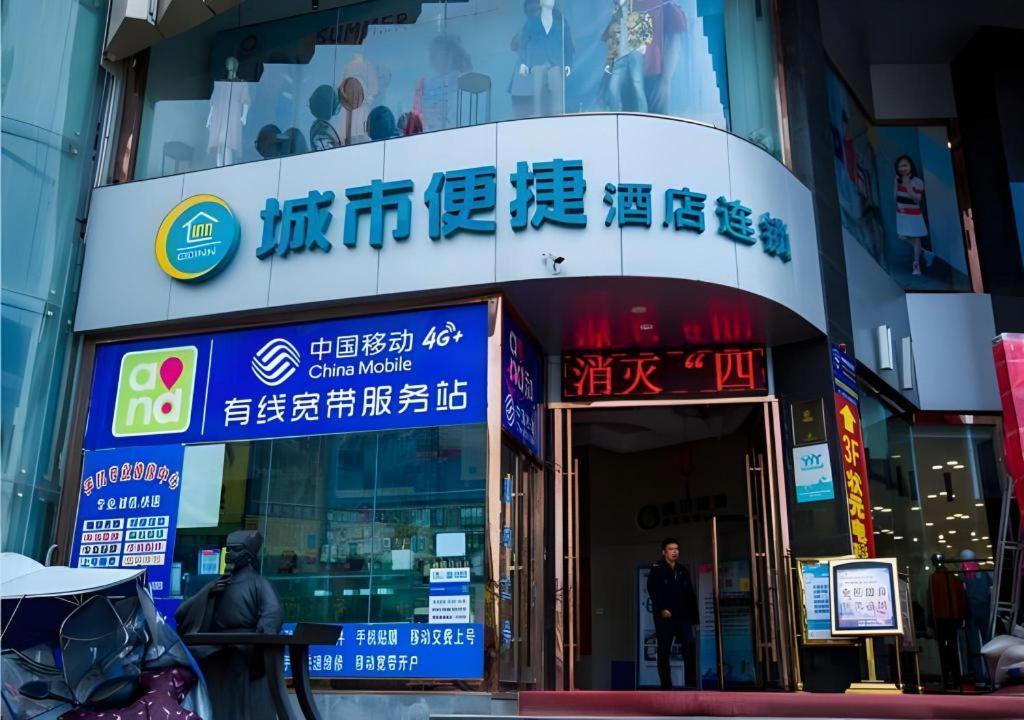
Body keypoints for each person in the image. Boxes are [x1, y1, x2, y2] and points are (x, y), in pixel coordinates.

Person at [175, 530, 283, 720]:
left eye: (236, 550)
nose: (230, 554)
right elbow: (181, 614)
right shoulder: (217, 584)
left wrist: (261, 637)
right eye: (228, 549)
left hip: (246, 648)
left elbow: (272, 612)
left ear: (249, 555)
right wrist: (209, 592)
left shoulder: (258, 583)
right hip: (215, 648)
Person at [646, 537, 699, 689]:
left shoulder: (682, 570)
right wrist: (662, 608)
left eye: (676, 549)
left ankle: (690, 682)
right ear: (664, 552)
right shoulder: (657, 569)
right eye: (671, 549)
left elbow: (690, 595)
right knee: (664, 650)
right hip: (665, 617)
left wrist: (695, 619)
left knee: (689, 644)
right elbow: (653, 591)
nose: (674, 552)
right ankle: (666, 686)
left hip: (683, 616)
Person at [893, 154, 932, 276]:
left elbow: (917, 199)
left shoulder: (918, 181)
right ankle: (925, 253)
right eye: (900, 166)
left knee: (916, 238)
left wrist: (907, 185)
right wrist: (899, 204)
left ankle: (916, 265)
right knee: (902, 236)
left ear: (910, 166)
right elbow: (895, 196)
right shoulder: (897, 179)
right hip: (901, 214)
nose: (902, 168)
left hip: (914, 214)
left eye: (905, 165)